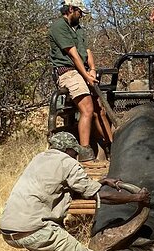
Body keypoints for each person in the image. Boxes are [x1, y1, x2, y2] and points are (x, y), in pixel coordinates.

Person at [0, 132, 152, 251]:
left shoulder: (39, 158)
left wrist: (103, 181)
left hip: (9, 232)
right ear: (69, 149)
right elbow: (101, 196)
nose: (77, 155)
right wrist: (136, 198)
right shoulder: (68, 162)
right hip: (36, 231)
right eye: (75, 151)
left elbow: (71, 186)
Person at [49, 0, 101, 162]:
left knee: (101, 110)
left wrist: (92, 70)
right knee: (87, 109)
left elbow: (86, 50)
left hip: (82, 71)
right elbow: (73, 54)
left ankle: (110, 145)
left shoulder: (78, 28)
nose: (81, 16)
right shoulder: (58, 26)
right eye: (80, 12)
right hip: (68, 72)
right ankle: (85, 153)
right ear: (71, 9)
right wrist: (86, 76)